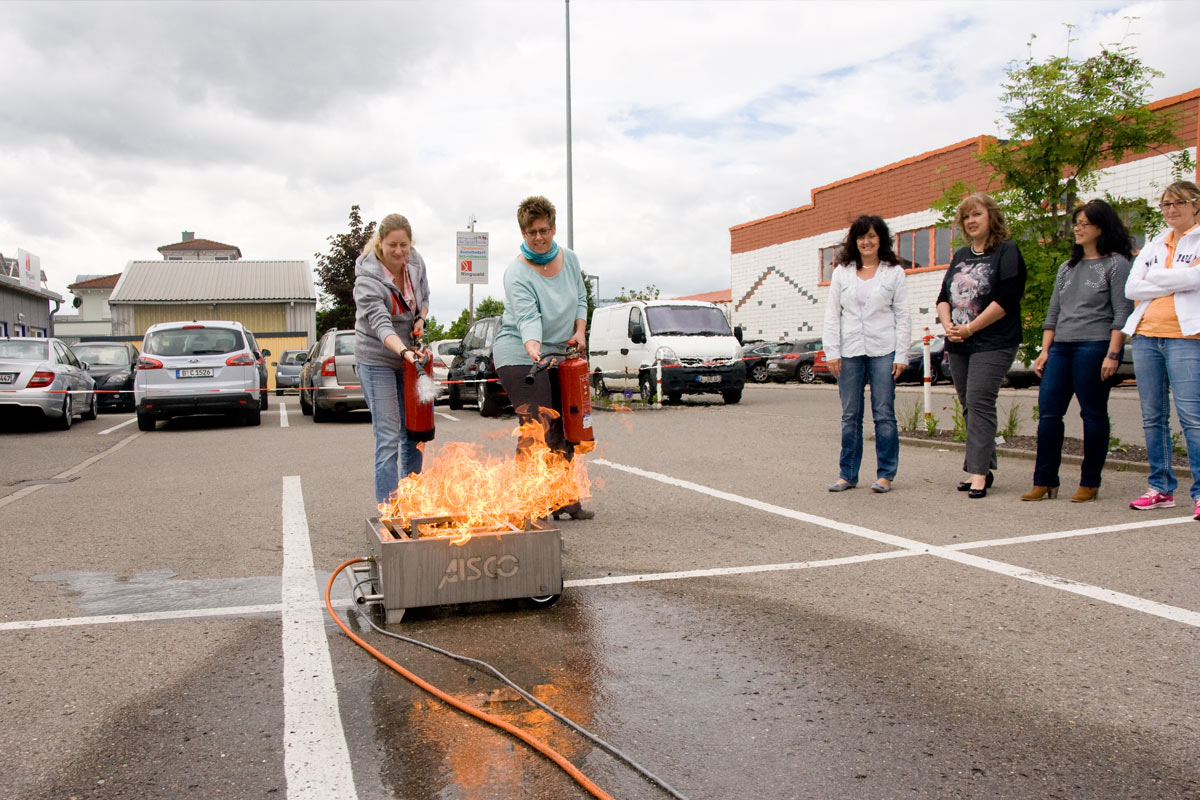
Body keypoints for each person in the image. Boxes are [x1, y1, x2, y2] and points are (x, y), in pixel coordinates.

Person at [1023, 200, 1133, 503]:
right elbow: (1053, 312)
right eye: (1076, 222)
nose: (1078, 228)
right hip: (1061, 348)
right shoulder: (1066, 268)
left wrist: (1113, 354)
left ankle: (1090, 481)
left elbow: (1122, 311)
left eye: (1084, 223)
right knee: (1048, 414)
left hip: (1095, 346)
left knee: (1093, 414)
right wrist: (1045, 351)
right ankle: (1044, 480)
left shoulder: (1116, 264)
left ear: (1101, 227)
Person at [493, 195, 594, 520]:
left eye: (543, 230)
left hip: (560, 351)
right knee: (537, 425)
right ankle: (527, 504)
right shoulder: (516, 273)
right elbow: (528, 317)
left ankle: (563, 500)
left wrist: (580, 332)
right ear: (523, 233)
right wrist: (533, 345)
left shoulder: (570, 260)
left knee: (565, 427)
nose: (538, 237)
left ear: (553, 228)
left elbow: (580, 297)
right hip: (520, 353)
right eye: (531, 232)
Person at [936, 192, 1027, 498]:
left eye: (977, 214)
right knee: (969, 404)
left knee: (979, 401)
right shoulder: (961, 255)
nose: (971, 221)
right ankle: (983, 467)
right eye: (966, 216)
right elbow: (943, 297)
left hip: (993, 340)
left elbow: (1007, 298)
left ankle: (977, 474)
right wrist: (948, 325)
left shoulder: (1006, 251)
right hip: (959, 341)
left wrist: (971, 328)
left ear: (991, 217)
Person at [1121, 180, 1200, 517]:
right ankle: (1160, 488)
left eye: (1179, 203)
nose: (1171, 210)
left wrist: (1159, 280)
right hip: (1146, 336)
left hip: (1185, 337)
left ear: (1196, 204)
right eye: (1166, 204)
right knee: (1153, 417)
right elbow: (1131, 287)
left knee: (1192, 417)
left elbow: (1197, 280)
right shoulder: (1154, 244)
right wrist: (1177, 276)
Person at [822, 215, 910, 493]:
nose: (866, 241)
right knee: (850, 415)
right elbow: (832, 315)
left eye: (872, 236)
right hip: (849, 351)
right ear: (854, 241)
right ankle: (847, 474)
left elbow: (903, 316)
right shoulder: (842, 272)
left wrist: (902, 355)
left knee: (884, 413)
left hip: (884, 349)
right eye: (861, 237)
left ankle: (885, 474)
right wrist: (832, 352)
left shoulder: (894, 272)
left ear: (880, 239)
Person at [353, 213, 431, 506]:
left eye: (404, 245)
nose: (399, 252)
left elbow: (424, 297)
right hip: (377, 358)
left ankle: (410, 503)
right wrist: (405, 352)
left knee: (415, 432)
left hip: (409, 358)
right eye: (392, 245)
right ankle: (389, 509)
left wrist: (420, 318)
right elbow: (381, 325)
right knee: (388, 435)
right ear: (380, 243)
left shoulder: (416, 262)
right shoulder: (368, 279)